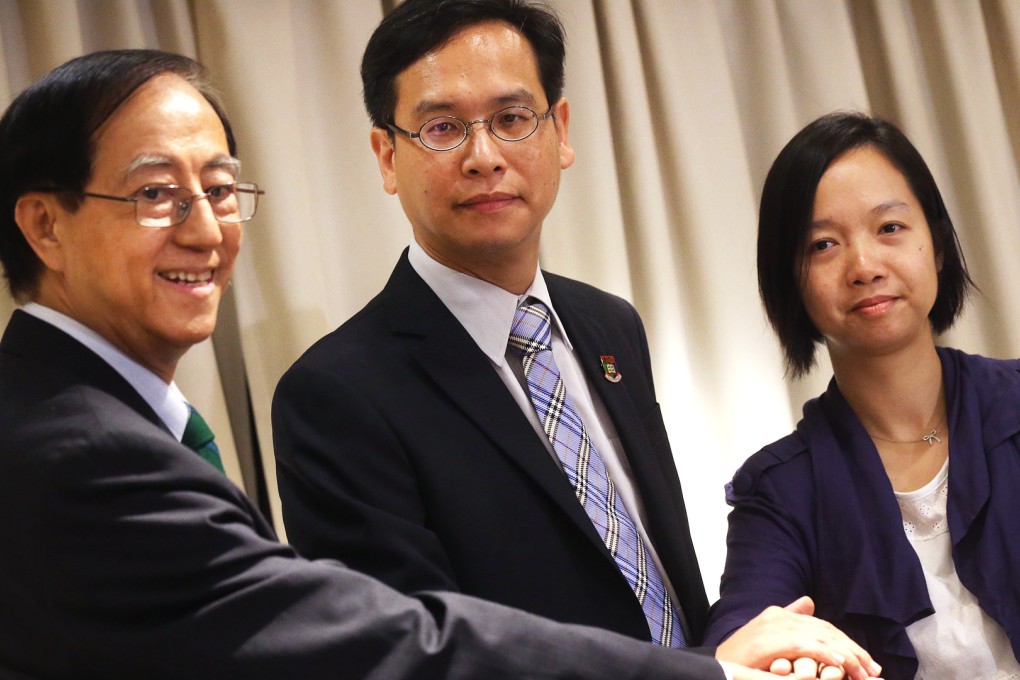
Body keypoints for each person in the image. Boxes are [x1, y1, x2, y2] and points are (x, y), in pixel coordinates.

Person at [0, 47, 789, 680]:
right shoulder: (81, 450)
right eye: (158, 193)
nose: (206, 229)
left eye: (219, 188)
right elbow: (386, 640)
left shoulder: (608, 323)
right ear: (44, 225)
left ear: (560, 129)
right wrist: (702, 675)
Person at [271, 1, 880, 678]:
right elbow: (417, 660)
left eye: (511, 118)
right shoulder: (336, 395)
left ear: (559, 131)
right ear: (387, 156)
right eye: (442, 128)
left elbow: (661, 586)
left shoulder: (609, 325)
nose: (484, 157)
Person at [703, 110, 1020, 679]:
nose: (864, 266)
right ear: (789, 283)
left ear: (938, 246)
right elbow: (745, 638)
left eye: (890, 228)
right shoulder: (780, 493)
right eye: (823, 245)